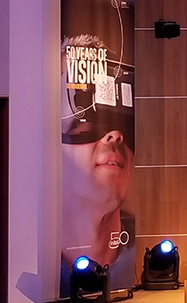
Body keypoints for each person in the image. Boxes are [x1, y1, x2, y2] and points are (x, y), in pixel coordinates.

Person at [60, 34, 135, 296]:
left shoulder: (137, 261)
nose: (115, 135)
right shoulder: (32, 262)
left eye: (124, 123)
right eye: (85, 121)